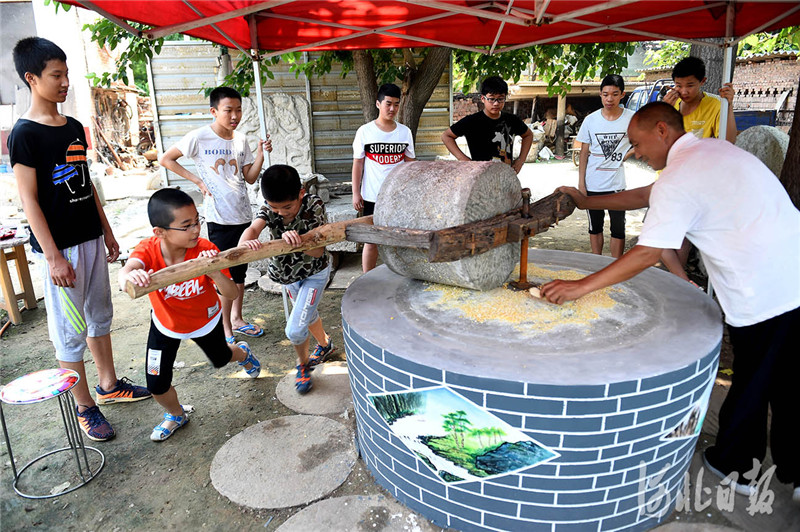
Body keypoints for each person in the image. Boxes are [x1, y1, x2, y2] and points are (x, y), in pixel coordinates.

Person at [542, 102, 800, 501]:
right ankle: (795, 471)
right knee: (789, 382)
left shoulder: (682, 175)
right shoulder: (712, 151)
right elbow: (649, 193)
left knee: (754, 379)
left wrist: (578, 287)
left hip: (765, 293)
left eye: (638, 144)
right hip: (792, 276)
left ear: (661, 130)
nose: (636, 153)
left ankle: (737, 469)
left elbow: (648, 252)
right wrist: (587, 201)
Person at [7, 37, 150, 443]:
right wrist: (53, 258)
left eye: (67, 73)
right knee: (69, 331)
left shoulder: (72, 127)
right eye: (56, 75)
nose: (66, 82)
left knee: (99, 316)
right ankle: (84, 404)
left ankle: (109, 384)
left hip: (89, 239)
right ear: (31, 79)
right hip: (61, 250)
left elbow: (86, 186)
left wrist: (106, 230)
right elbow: (30, 201)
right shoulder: (24, 134)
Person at [118, 188, 261, 442]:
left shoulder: (205, 248)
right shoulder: (148, 249)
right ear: (160, 232)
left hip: (205, 321)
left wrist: (214, 270)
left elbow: (229, 293)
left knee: (221, 358)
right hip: (166, 325)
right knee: (156, 383)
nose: (196, 229)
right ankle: (176, 414)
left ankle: (242, 353)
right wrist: (129, 275)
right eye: (186, 226)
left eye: (197, 221)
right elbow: (127, 270)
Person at [159, 87, 272, 344]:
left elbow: (250, 177)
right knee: (224, 273)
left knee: (241, 271)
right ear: (214, 111)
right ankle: (225, 328)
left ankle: (237, 319)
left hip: (243, 214)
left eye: (238, 109)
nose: (235, 115)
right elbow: (166, 159)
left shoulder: (241, 140)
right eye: (228, 110)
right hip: (218, 217)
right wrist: (197, 180)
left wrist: (262, 155)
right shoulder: (199, 137)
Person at [239, 165, 335, 394]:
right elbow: (251, 230)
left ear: (301, 193)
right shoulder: (270, 208)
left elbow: (317, 252)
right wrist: (248, 243)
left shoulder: (314, 205)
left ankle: (302, 365)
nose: (281, 212)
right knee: (307, 314)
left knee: (294, 330)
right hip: (287, 276)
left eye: (287, 207)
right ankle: (325, 344)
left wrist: (298, 242)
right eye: (274, 207)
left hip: (314, 273)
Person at [352, 83, 416, 272]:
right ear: (378, 104)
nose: (392, 109)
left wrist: (411, 192)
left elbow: (410, 164)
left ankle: (401, 276)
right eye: (388, 103)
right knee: (371, 241)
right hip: (371, 196)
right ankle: (367, 278)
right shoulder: (365, 131)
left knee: (400, 239)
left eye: (396, 104)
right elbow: (358, 163)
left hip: (397, 197)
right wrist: (356, 193)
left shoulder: (404, 132)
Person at [575, 74, 634, 259]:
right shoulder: (591, 120)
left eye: (615, 94)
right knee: (595, 226)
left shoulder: (632, 118)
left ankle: (616, 266)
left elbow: (644, 141)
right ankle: (597, 263)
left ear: (622, 95)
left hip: (617, 185)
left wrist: (628, 154)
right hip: (593, 184)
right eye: (605, 94)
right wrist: (581, 184)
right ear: (600, 94)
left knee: (618, 227)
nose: (610, 99)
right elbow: (583, 152)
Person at [441, 76, 533, 173]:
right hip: (480, 176)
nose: (496, 103)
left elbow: (528, 135)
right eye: (491, 99)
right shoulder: (471, 122)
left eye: (500, 99)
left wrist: (520, 160)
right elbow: (446, 136)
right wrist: (465, 160)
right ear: (483, 98)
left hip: (506, 175)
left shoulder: (511, 120)